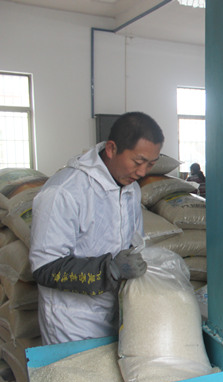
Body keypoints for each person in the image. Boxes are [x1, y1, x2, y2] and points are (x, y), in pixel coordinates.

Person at [29, 111, 164, 345]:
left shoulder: (131, 189)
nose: (143, 172)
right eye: (138, 162)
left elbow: (133, 243)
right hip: (72, 323)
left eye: (151, 164)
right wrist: (108, 270)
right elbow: (44, 267)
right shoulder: (64, 191)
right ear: (111, 149)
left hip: (116, 313)